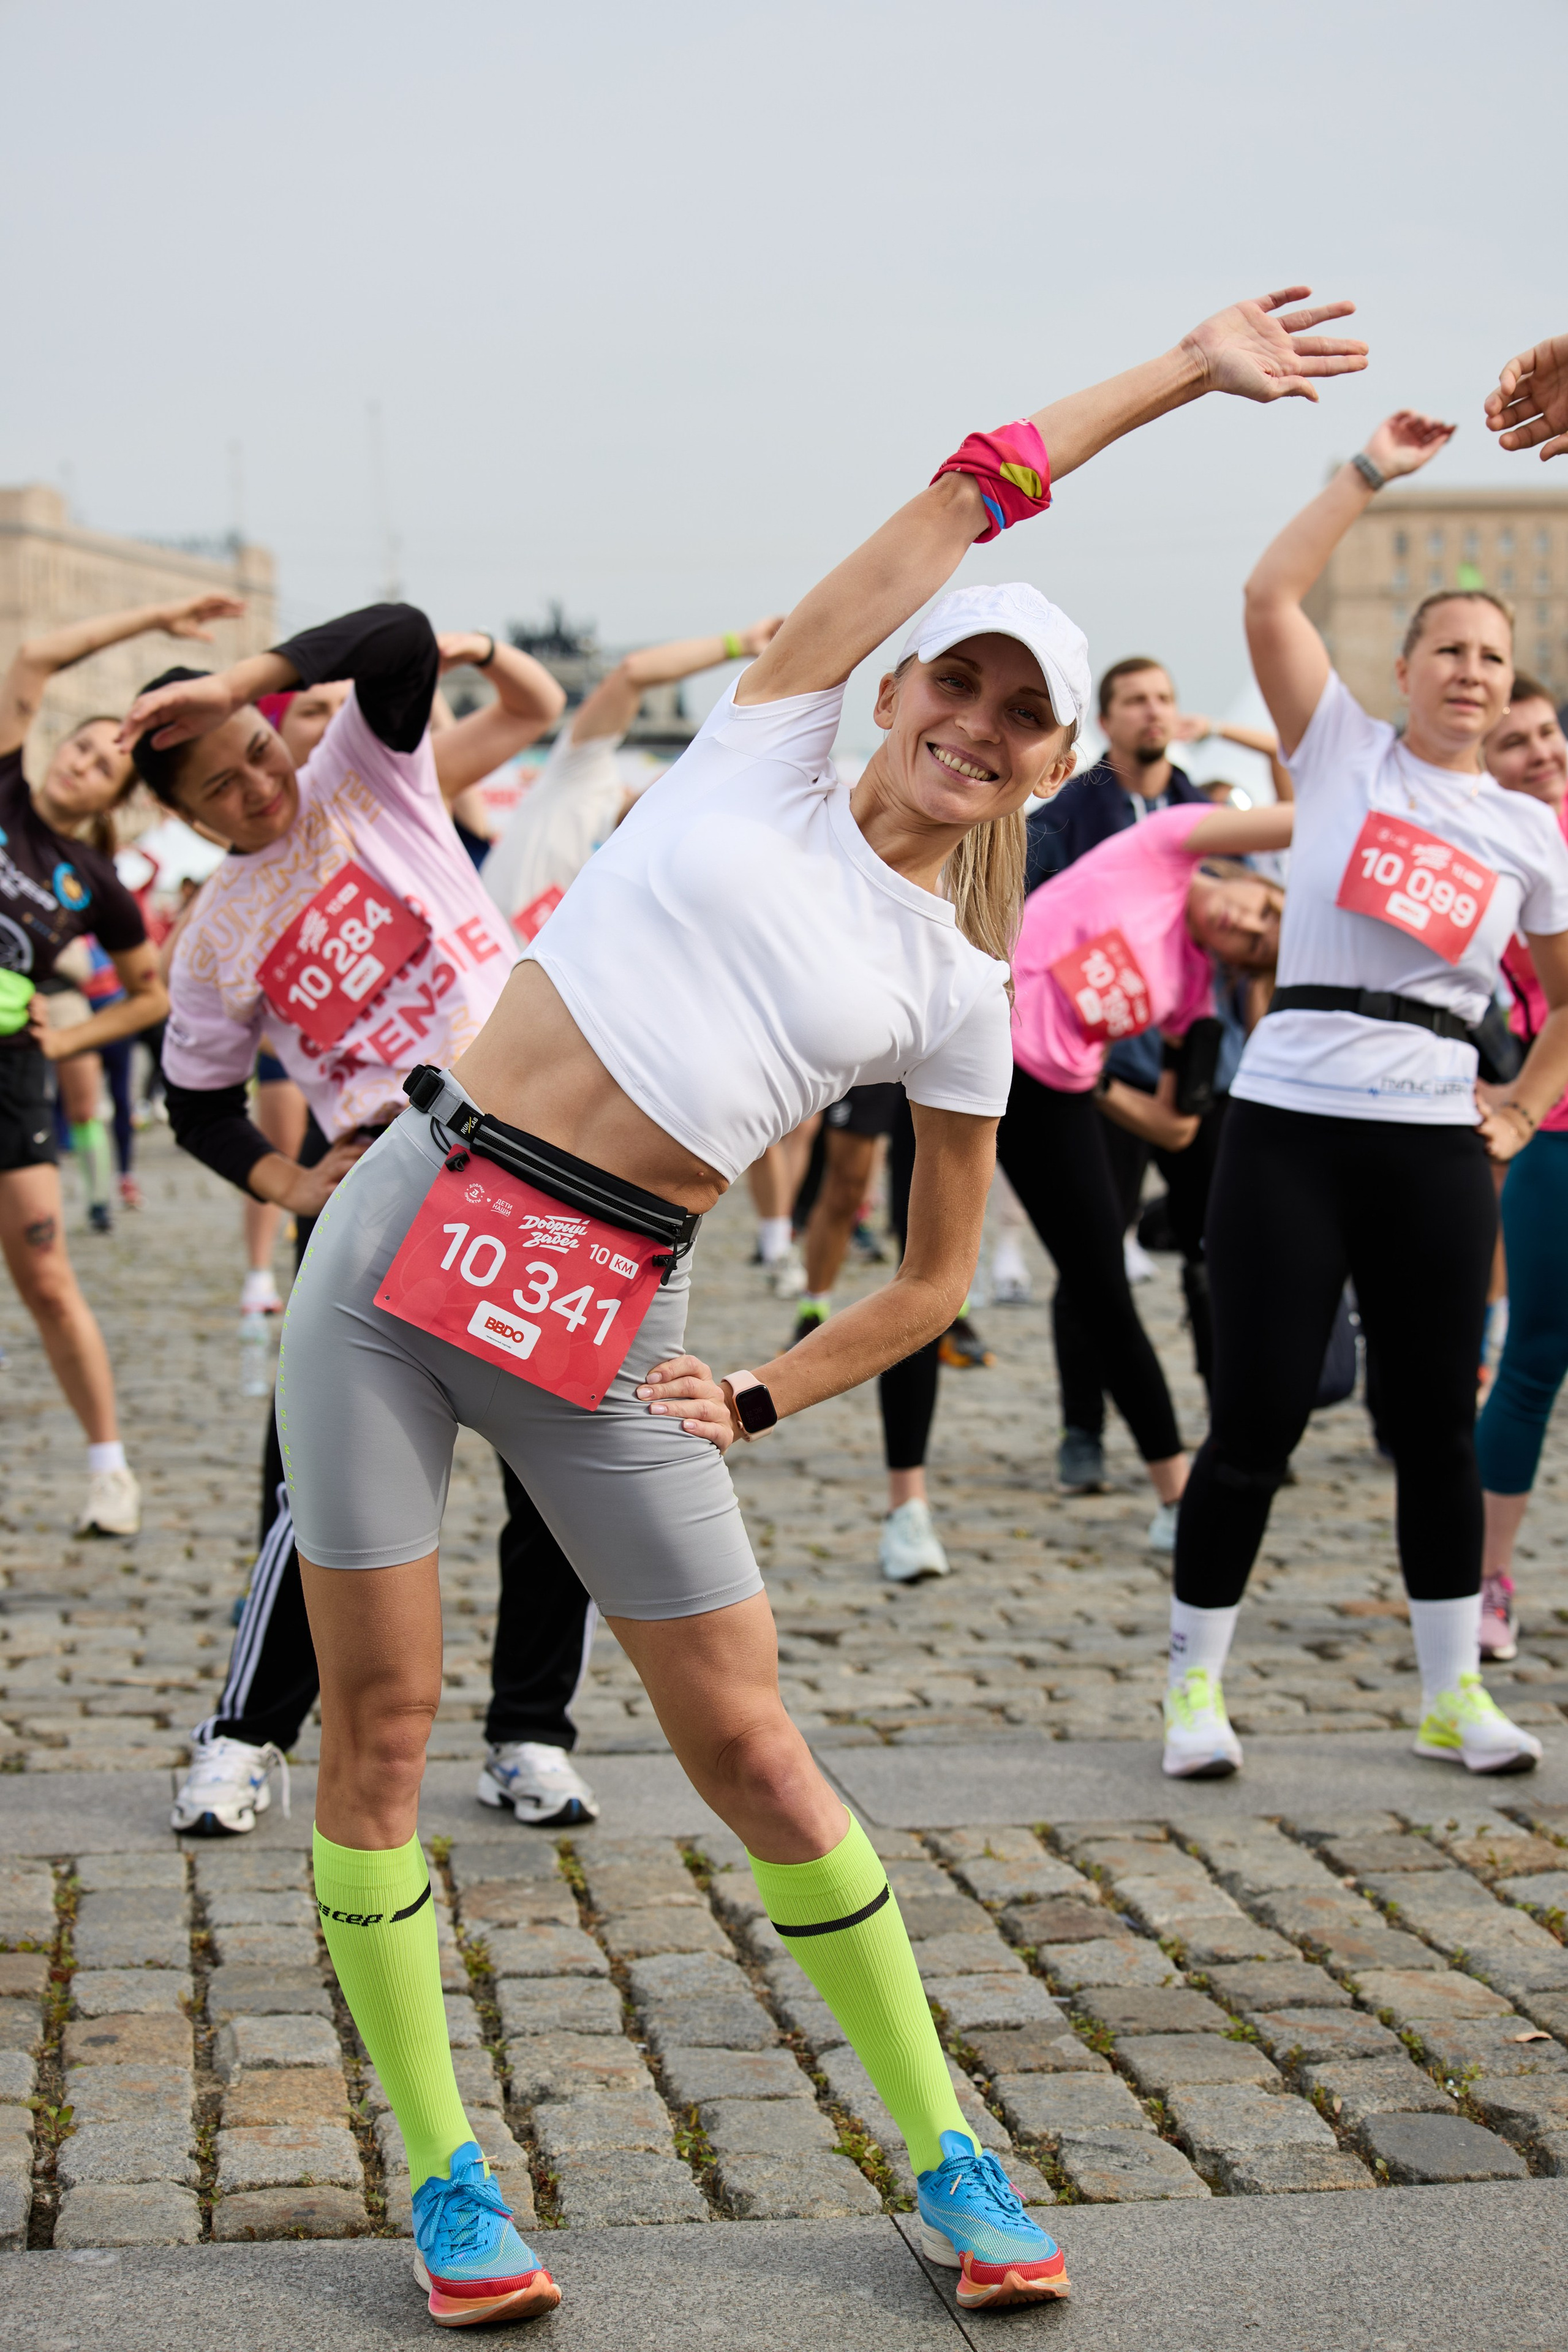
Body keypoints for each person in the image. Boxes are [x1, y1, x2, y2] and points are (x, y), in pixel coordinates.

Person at [124, 285, 1365, 2326]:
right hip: (396, 1243)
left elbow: (940, 1275)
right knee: (384, 1722)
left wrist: (767, 1395)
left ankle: (949, 2152)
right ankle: (444, 2178)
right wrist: (1185, 372)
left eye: (1015, 715)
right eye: (949, 682)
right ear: (887, 690)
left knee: (756, 1750)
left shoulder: (959, 993)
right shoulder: (773, 741)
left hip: (609, 1308)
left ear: (1051, 763)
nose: (971, 721)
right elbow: (972, 486)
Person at [135, 613, 601, 1841]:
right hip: (374, 1194)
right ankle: (245, 1738)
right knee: (315, 1496)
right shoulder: (213, 941)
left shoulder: (364, 770)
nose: (256, 784)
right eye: (220, 787)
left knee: (559, 1475)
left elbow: (397, 636)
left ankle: (530, 1735)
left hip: (532, 1160)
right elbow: (194, 1104)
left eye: (255, 748)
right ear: (187, 820)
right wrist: (294, 1186)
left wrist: (234, 678)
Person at [1163, 405, 1568, 1784]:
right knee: (1260, 1411)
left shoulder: (1526, 830)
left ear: (1513, 691)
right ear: (1400, 667)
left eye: (1490, 659)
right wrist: (1367, 472)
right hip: (1286, 1125)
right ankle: (1191, 1690)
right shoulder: (1337, 750)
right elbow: (1267, 593)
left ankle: (1451, 1695)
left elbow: (1565, 1004)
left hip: (1433, 1143)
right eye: (1446, 650)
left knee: (1431, 1425)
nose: (1467, 672)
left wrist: (1514, 1109)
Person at [0, 598, 228, 1532]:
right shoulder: (4, 785)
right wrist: (159, 622)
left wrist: (70, 1038)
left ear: (115, 800)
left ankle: (110, 1471)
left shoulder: (95, 884)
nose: (86, 760)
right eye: (85, 746)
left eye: (108, 764)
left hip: (11, 1078)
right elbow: (36, 656)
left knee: (49, 1279)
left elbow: (149, 997)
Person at [1003, 802, 1289, 1548]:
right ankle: (909, 1503)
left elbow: (1175, 1125)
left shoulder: (1194, 994)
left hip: (1052, 1098)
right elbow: (1312, 815)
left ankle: (1176, 1497)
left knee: (1103, 1289)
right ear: (1252, 879)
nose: (1248, 927)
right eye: (1264, 911)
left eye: (1259, 945)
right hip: (964, 1046)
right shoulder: (1164, 847)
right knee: (925, 1271)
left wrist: (1098, 1086)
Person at [480, 617, 783, 941]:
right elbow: (632, 675)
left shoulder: (650, 882)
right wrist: (741, 644)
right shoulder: (582, 778)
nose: (680, 790)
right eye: (686, 775)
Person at [1472, 676, 1568, 1661]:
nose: (1540, 754)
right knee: (1535, 1358)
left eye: (1547, 734)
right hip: (1556, 1131)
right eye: (1515, 743)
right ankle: (1487, 1581)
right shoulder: (1485, 856)